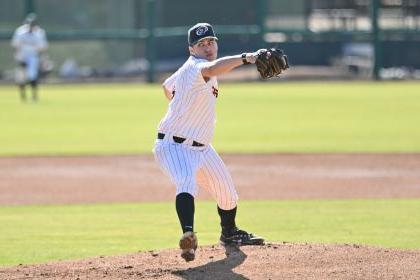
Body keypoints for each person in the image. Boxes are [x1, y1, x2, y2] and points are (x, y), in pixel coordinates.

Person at [153, 23, 265, 262]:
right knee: (186, 183)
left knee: (228, 196)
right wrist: (249, 57)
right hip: (174, 146)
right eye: (201, 44)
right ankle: (188, 236)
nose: (207, 47)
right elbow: (214, 67)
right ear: (191, 49)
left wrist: (180, 102)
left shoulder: (189, 70)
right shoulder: (196, 67)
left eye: (211, 42)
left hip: (202, 147)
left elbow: (166, 86)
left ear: (216, 44)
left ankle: (230, 234)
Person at [11, 13, 48, 102]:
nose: (31, 25)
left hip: (33, 57)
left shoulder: (39, 33)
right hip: (22, 56)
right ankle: (23, 97)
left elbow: (43, 47)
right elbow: (16, 46)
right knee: (21, 77)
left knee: (32, 76)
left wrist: (43, 59)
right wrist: (19, 58)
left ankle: (34, 96)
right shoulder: (20, 32)